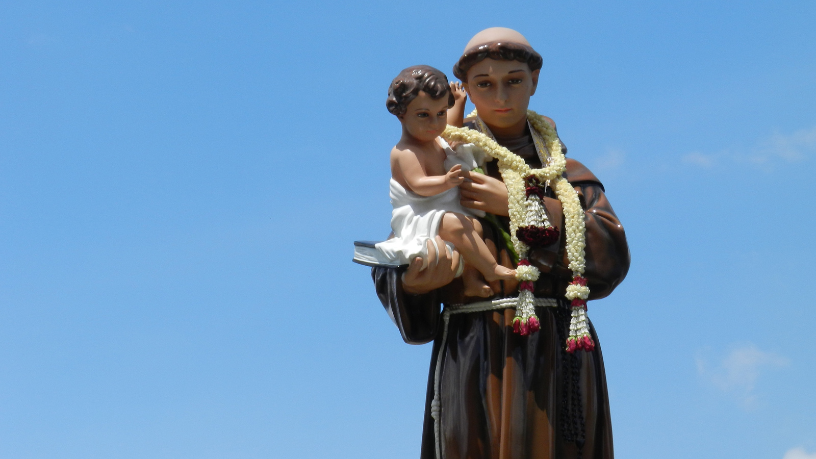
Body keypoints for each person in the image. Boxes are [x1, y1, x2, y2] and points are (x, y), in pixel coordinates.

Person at [371, 28, 630, 459]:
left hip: (558, 351)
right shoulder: (440, 158)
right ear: (466, 91)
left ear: (535, 79)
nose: (500, 95)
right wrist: (412, 284)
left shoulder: (564, 175)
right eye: (484, 84)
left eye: (513, 79)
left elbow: (611, 258)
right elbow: (403, 241)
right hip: (475, 350)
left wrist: (521, 203)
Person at [375, 65, 516, 298]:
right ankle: (491, 269)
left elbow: (452, 126)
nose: (434, 123)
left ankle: (471, 280)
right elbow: (419, 184)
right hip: (420, 216)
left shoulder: (436, 139)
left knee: (474, 227)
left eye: (440, 113)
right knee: (456, 225)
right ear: (401, 114)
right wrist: (447, 180)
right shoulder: (405, 152)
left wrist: (459, 102)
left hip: (445, 210)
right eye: (424, 115)